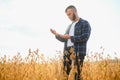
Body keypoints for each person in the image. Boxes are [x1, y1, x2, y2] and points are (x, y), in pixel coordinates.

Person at [50, 5, 91, 80]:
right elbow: (64, 39)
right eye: (67, 15)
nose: (68, 16)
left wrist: (70, 37)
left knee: (77, 75)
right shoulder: (69, 26)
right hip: (67, 51)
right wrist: (57, 34)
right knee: (64, 74)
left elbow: (85, 37)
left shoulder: (85, 23)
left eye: (69, 14)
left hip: (78, 51)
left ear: (75, 11)